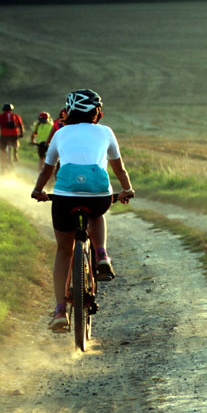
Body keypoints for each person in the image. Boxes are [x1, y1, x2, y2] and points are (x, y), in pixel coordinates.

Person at [31, 89, 135, 330]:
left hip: (64, 197)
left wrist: (38, 191)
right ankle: (101, 254)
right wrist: (127, 189)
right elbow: (119, 169)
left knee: (64, 251)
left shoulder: (60, 133)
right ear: (97, 113)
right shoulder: (106, 131)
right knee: (97, 212)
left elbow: (47, 170)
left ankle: (59, 311)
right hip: (98, 194)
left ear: (69, 111)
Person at [0, 103, 25, 173]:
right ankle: (15, 152)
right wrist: (21, 134)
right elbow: (20, 125)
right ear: (11, 109)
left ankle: (3, 167)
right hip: (14, 135)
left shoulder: (0, 116)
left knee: (2, 151)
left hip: (4, 136)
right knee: (16, 142)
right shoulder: (16, 116)